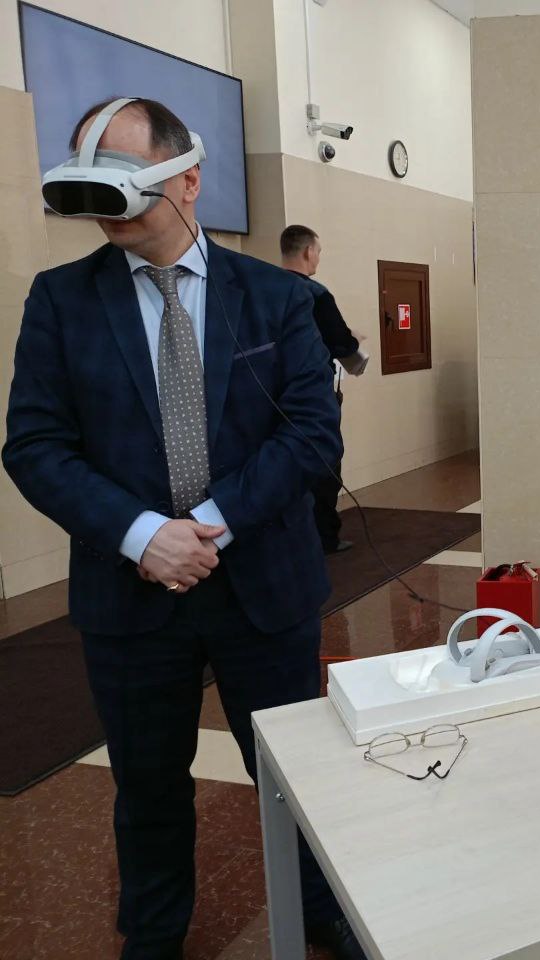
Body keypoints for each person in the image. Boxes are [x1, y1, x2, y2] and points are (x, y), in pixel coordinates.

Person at [3, 98, 365, 960]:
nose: (106, 204)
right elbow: (35, 446)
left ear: (188, 180)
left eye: (123, 178)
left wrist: (205, 524)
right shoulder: (61, 300)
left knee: (292, 774)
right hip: (129, 595)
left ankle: (321, 906)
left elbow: (312, 435)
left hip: (262, 585)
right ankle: (155, 930)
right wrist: (140, 535)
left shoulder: (276, 296)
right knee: (147, 783)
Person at [279, 223, 369, 554]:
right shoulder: (314, 294)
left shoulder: (263, 288)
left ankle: (286, 537)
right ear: (308, 251)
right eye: (318, 251)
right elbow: (339, 342)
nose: (317, 257)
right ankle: (325, 536)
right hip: (312, 396)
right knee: (325, 462)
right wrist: (353, 339)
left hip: (269, 396)